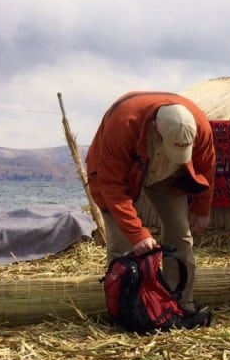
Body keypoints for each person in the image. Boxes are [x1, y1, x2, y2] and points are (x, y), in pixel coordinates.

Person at [86, 91, 215, 319]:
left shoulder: (200, 126)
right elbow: (112, 185)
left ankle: (180, 303)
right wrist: (138, 234)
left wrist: (202, 208)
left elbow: (206, 168)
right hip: (121, 175)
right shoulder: (123, 124)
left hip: (170, 176)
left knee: (180, 235)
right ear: (156, 128)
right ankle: (126, 309)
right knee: (122, 244)